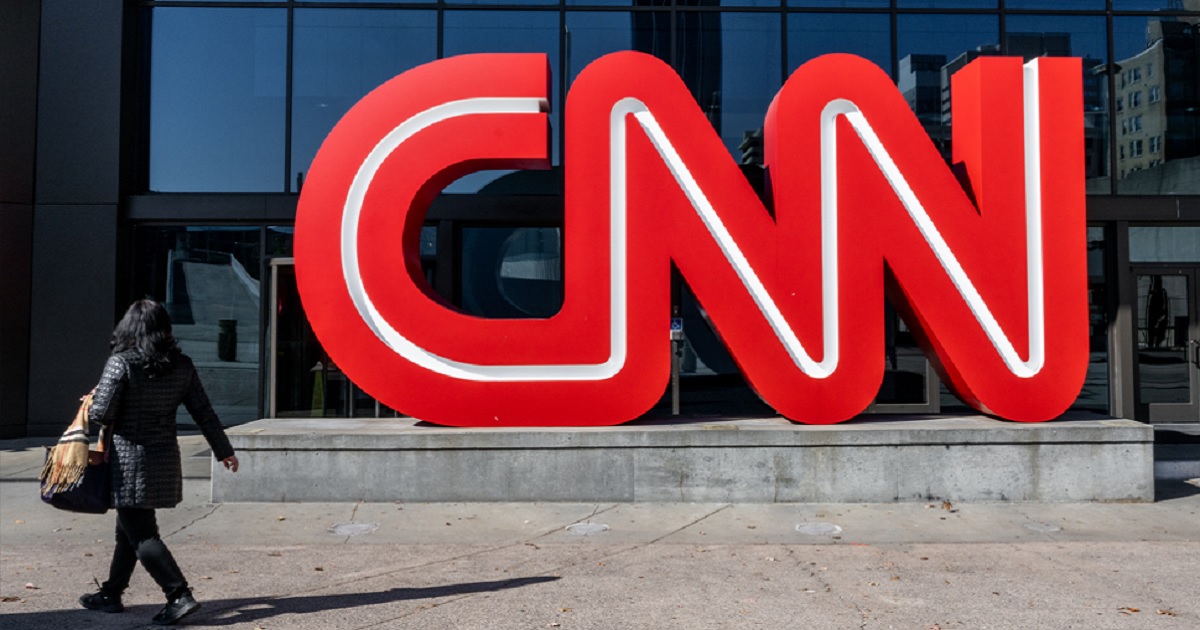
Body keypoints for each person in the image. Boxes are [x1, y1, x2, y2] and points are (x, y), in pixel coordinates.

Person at [78, 299, 240, 626]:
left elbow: (102, 414)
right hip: (163, 457)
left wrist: (92, 400)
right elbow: (203, 412)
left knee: (142, 533)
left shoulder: (120, 363)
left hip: (128, 461)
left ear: (129, 327)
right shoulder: (182, 365)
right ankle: (112, 593)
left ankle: (178, 594)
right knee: (129, 528)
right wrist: (224, 450)